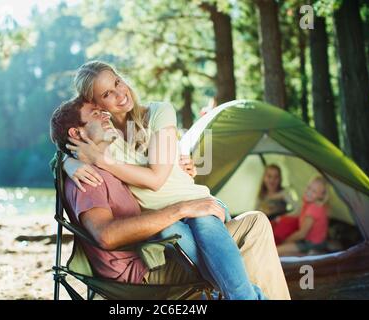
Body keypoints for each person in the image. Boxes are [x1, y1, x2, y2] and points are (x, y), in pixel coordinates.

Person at [50, 96, 290, 299]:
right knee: (254, 228)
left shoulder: (101, 164)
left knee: (250, 224)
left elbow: (62, 156)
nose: (105, 115)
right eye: (95, 114)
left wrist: (177, 164)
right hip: (144, 271)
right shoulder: (87, 177)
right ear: (76, 132)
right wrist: (181, 209)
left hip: (156, 252)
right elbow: (107, 235)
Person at [276, 176, 330, 256]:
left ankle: (309, 254)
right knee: (282, 250)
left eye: (314, 191)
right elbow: (299, 213)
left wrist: (286, 240)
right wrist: (283, 217)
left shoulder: (313, 209)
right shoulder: (310, 203)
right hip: (315, 241)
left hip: (312, 244)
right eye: (308, 188)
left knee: (276, 251)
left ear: (321, 196)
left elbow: (302, 234)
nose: (309, 192)